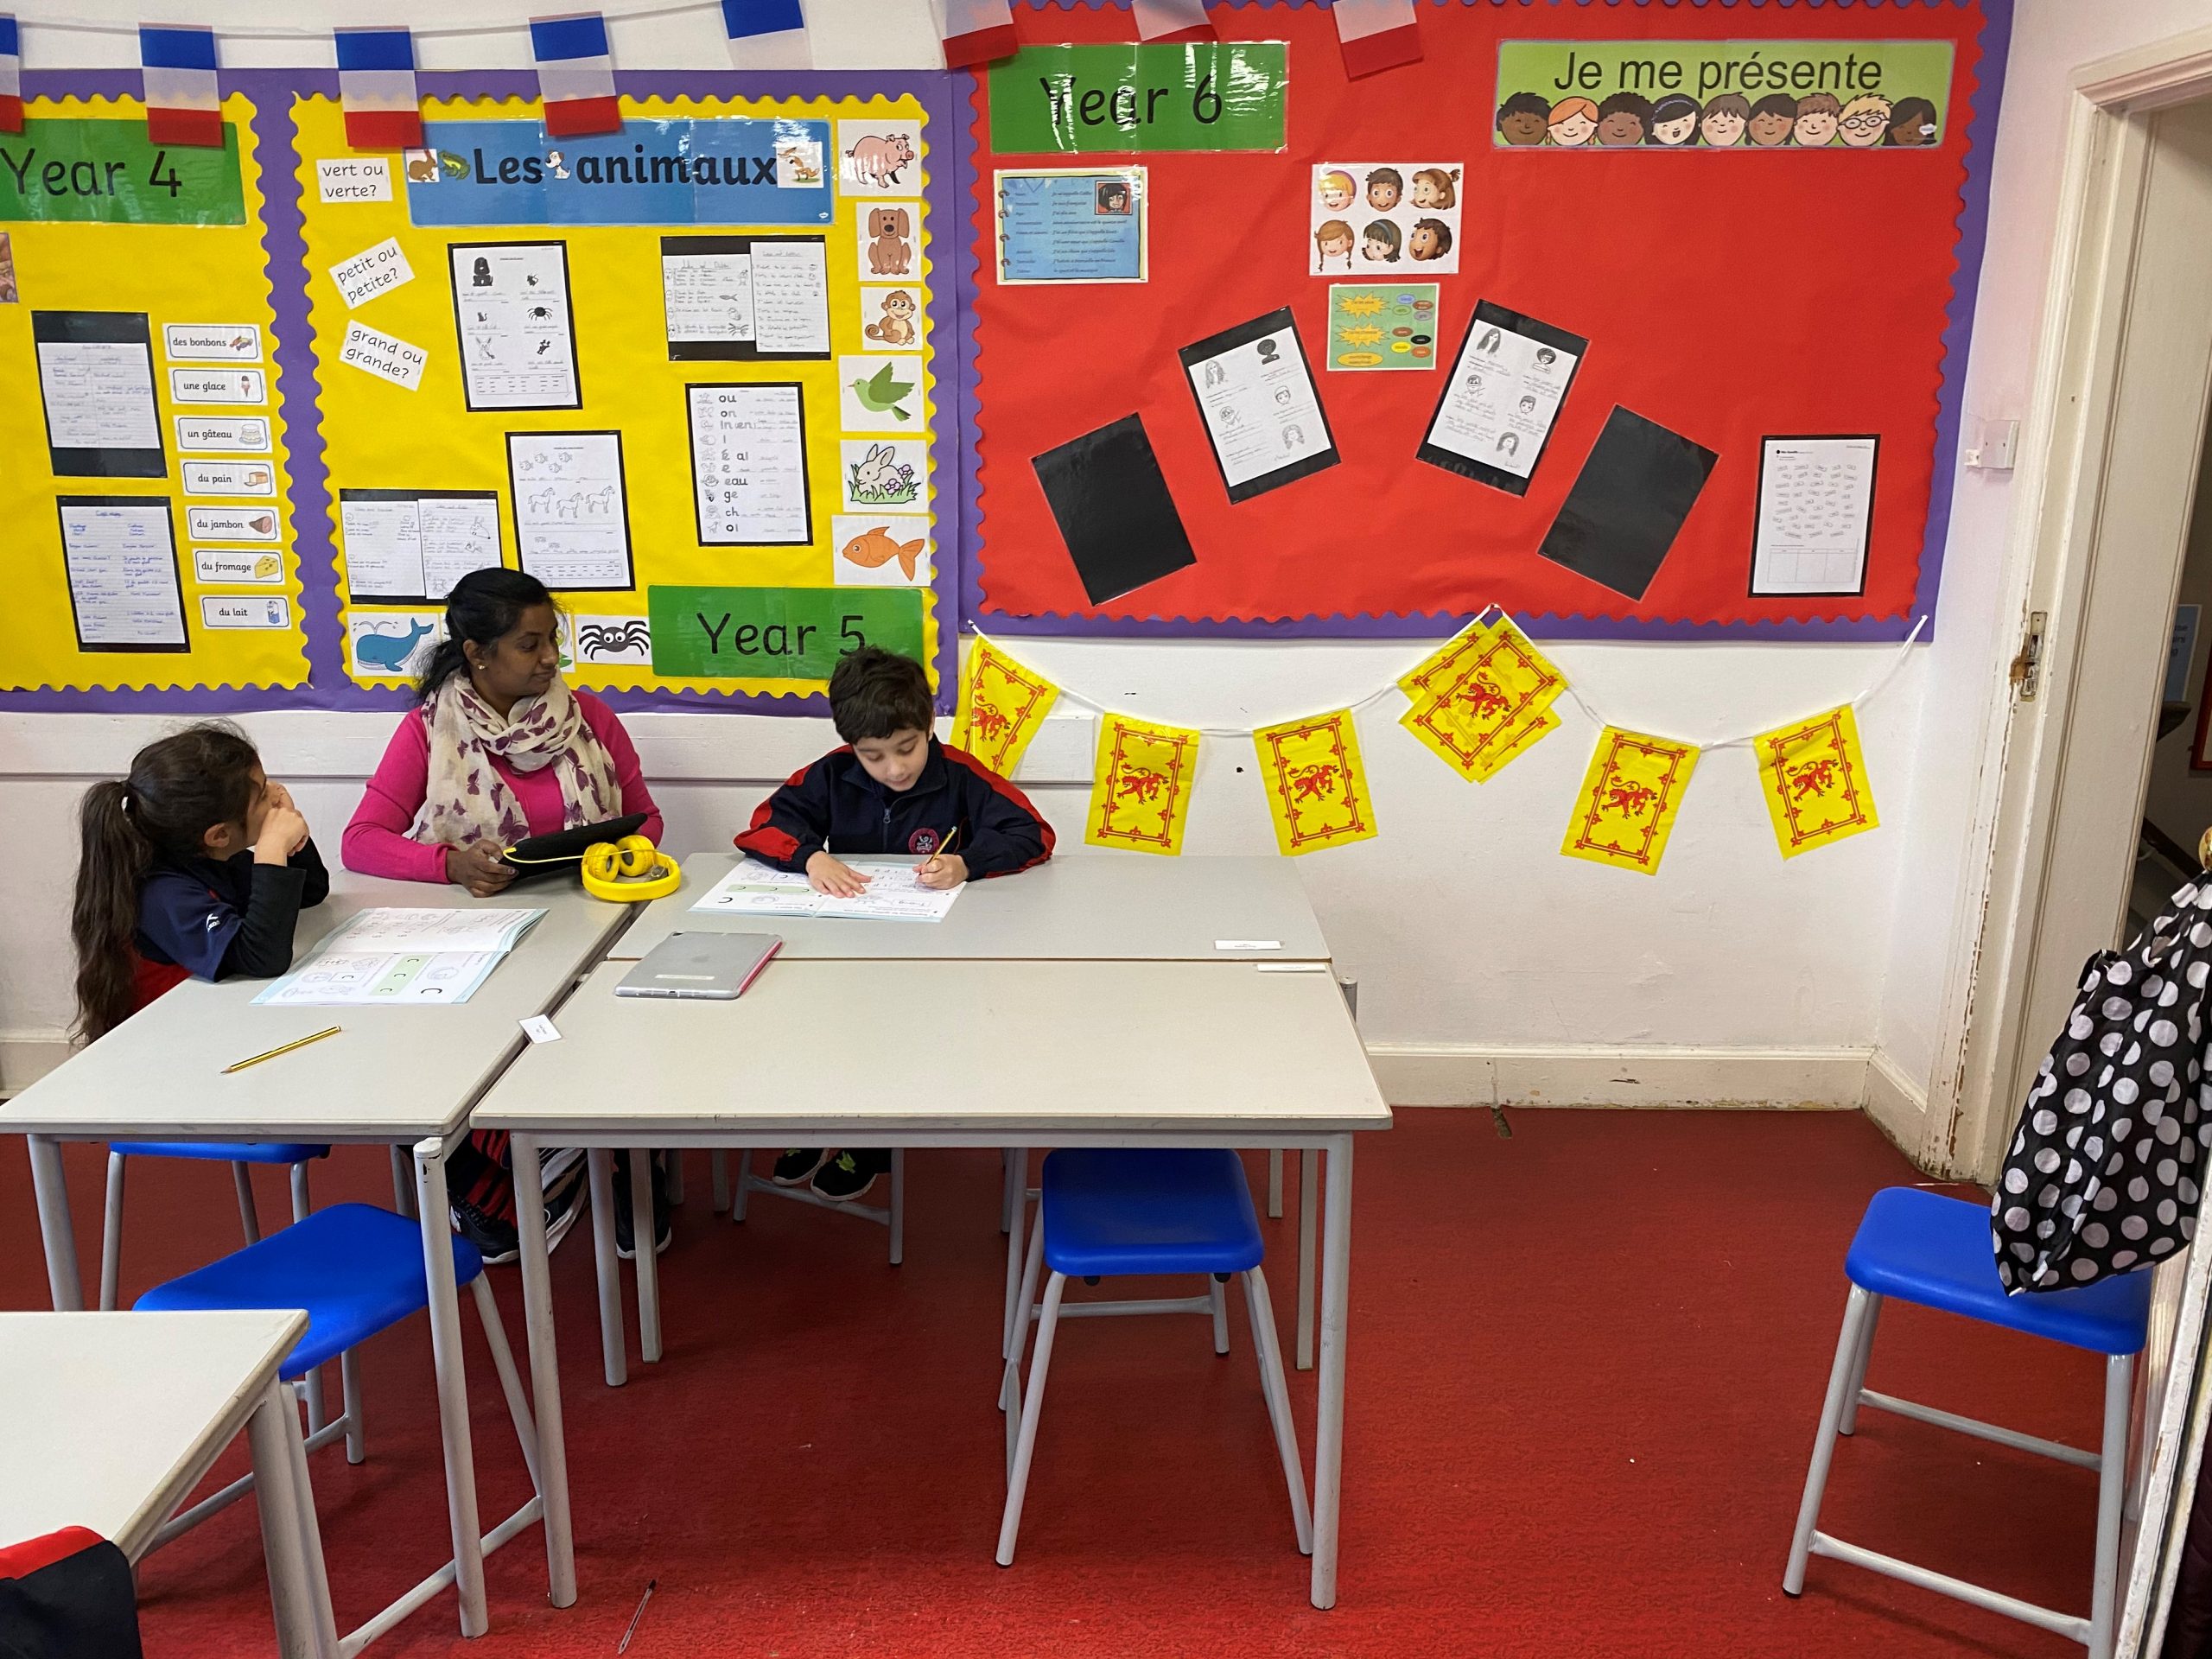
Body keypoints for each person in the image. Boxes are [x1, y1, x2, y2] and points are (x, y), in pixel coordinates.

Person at [343, 567, 668, 1262]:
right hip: (482, 941)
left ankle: (614, 1165)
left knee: (614, 1037)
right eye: (530, 644)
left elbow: (648, 820)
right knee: (456, 1056)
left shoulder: (592, 719)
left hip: (593, 930)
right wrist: (449, 864)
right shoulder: (429, 730)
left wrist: (614, 856)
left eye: (552, 639)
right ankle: (523, 1179)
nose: (551, 658)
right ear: (477, 653)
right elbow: (360, 841)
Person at [734, 645, 1054, 1202]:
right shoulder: (830, 776)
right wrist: (810, 856)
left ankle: (874, 1142)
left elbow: (1034, 834)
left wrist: (966, 863)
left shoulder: (961, 775)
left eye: (906, 748)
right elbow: (763, 826)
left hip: (936, 957)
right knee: (823, 1029)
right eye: (873, 756)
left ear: (929, 724)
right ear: (850, 746)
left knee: (896, 1042)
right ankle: (816, 1126)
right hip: (848, 947)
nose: (895, 768)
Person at [71, 722, 327, 1043]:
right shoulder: (163, 894)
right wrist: (273, 847)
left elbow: (311, 891)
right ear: (219, 835)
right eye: (263, 794)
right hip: (162, 1043)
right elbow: (262, 958)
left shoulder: (216, 858)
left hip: (213, 1024)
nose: (276, 793)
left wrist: (290, 841)